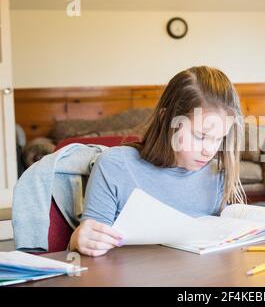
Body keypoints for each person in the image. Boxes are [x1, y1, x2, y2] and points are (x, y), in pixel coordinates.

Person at [69, 66, 246, 256]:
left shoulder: (217, 174)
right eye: (200, 136)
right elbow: (90, 244)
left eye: (218, 138)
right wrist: (77, 240)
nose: (209, 151)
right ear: (166, 120)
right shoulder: (115, 167)